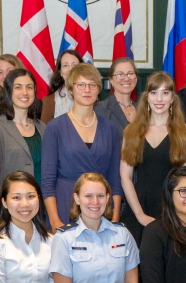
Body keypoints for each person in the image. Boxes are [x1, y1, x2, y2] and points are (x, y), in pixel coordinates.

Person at [119, 71, 186, 283]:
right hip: (140, 215)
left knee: (170, 281)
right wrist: (139, 215)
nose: (160, 98)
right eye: (155, 92)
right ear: (146, 97)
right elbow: (125, 177)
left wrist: (181, 216)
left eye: (166, 92)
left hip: (176, 217)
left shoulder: (185, 132)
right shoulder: (132, 131)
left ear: (173, 97)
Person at [41, 63, 122, 229]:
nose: (87, 90)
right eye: (81, 85)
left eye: (93, 85)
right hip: (65, 206)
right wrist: (55, 221)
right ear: (71, 89)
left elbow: (115, 180)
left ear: (99, 90)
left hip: (100, 208)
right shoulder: (55, 127)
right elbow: (47, 181)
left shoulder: (111, 129)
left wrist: (114, 219)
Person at [0, 69, 46, 222]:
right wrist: (6, 218)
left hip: (39, 213)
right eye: (18, 87)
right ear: (8, 91)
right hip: (6, 216)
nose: (24, 92)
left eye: (29, 87)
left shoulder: (43, 128)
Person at [95, 57, 138, 132]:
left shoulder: (142, 110)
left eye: (130, 74)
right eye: (120, 74)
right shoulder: (100, 109)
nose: (126, 79)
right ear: (111, 80)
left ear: (136, 78)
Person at [41, 50, 83, 124]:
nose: (70, 69)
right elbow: (46, 133)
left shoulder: (91, 98)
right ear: (60, 72)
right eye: (65, 65)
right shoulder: (49, 101)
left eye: (74, 65)